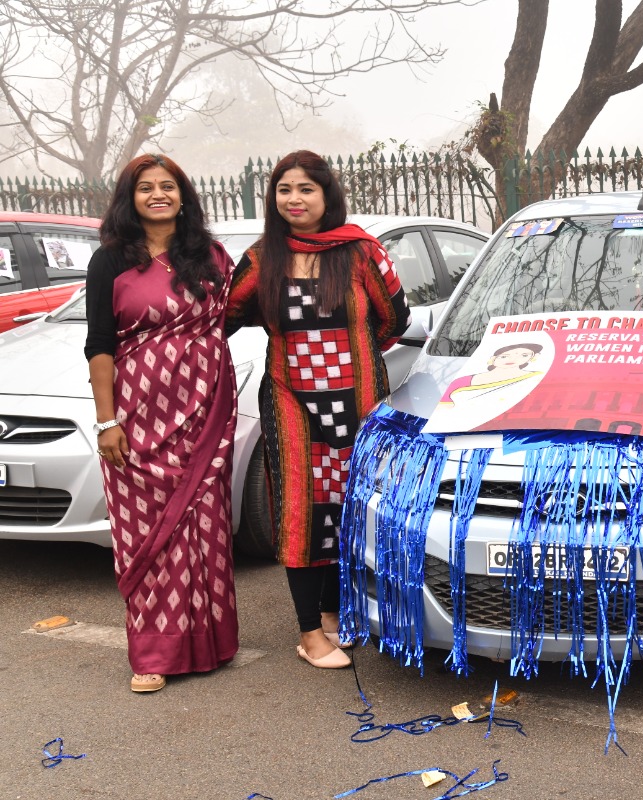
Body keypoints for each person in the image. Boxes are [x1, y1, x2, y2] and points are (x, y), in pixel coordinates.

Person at [226, 150, 409, 670]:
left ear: (327, 195)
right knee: (302, 510)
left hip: (358, 403)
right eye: (285, 189)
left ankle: (332, 615)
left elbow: (394, 317)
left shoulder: (360, 252)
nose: (294, 199)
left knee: (349, 507)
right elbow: (223, 315)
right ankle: (309, 632)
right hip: (291, 404)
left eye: (306, 188)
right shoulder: (262, 259)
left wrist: (351, 357)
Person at [85, 154, 239, 693]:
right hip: (138, 414)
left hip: (204, 406)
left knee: (203, 519)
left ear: (183, 195)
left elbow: (241, 312)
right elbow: (100, 345)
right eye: (145, 187)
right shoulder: (110, 261)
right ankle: (153, 653)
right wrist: (107, 421)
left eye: (167, 186)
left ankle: (211, 643)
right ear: (130, 198)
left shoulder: (211, 256)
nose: (157, 194)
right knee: (147, 528)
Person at [439, 342, 544, 405]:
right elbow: (444, 411)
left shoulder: (539, 377)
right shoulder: (461, 382)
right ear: (493, 359)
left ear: (532, 357)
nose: (513, 359)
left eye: (524, 355)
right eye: (504, 356)